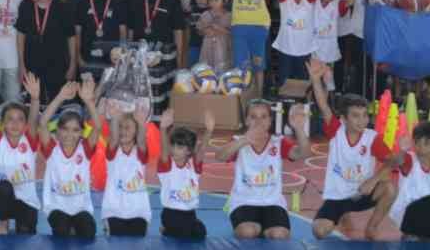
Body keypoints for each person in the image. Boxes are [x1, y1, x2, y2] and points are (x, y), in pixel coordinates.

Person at [308, 59, 397, 240]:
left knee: (389, 189)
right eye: (356, 116)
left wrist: (373, 180)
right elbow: (324, 106)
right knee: (319, 231)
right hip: (337, 197)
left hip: (361, 193)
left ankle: (371, 227)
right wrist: (316, 80)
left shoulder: (372, 138)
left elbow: (392, 161)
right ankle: (341, 214)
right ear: (343, 119)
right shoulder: (336, 131)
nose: (362, 121)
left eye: (365, 115)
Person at [0, 73, 69, 236]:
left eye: (20, 119)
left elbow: (34, 120)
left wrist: (35, 98)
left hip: (26, 201)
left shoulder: (29, 140)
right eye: (10, 119)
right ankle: (3, 221)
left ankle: (22, 220)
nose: (15, 123)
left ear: (25, 124)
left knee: (26, 234)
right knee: (4, 187)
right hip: (3, 197)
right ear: (2, 124)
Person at [214, 98, 311, 240]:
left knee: (279, 235)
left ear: (270, 120)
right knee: (247, 232)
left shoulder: (278, 142)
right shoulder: (238, 141)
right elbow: (219, 156)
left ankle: (265, 228)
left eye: (263, 116)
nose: (259, 121)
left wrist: (299, 129)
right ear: (246, 121)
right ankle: (255, 227)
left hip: (273, 202)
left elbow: (303, 153)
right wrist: (244, 140)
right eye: (253, 117)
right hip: (243, 201)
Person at [41, 76, 97, 238]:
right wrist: (60, 97)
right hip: (56, 207)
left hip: (81, 208)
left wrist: (89, 101)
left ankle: (75, 226)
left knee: (89, 232)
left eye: (75, 130)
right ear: (57, 131)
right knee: (61, 230)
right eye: (65, 129)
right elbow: (43, 123)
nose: (69, 134)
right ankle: (68, 227)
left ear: (81, 132)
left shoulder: (85, 149)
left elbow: (98, 127)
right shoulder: (52, 149)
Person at [15, 0, 75, 103]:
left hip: (57, 63)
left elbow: (71, 37)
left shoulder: (62, 8)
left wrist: (72, 65)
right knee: (33, 100)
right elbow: (20, 35)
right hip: (32, 62)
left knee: (58, 100)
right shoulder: (25, 5)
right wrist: (21, 64)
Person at [225, 0, 273, 96]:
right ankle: (243, 98)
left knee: (258, 64)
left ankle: (258, 97)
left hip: (260, 24)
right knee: (242, 66)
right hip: (239, 24)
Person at [100, 106, 154, 237]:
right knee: (116, 239)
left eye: (127, 128)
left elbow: (141, 140)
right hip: (114, 210)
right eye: (120, 127)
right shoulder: (112, 152)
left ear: (136, 132)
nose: (122, 131)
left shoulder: (140, 153)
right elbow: (114, 138)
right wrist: (114, 119)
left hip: (138, 211)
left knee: (138, 240)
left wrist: (141, 123)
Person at [156, 111, 210, 240]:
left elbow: (202, 150)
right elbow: (164, 150)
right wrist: (163, 129)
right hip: (171, 213)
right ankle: (166, 229)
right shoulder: (167, 166)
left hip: (190, 214)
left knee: (201, 232)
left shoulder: (193, 166)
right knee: (184, 232)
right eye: (173, 145)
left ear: (189, 151)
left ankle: (170, 230)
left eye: (180, 147)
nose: (174, 150)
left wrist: (209, 130)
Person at [74, 0, 125, 81]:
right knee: (88, 91)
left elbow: (123, 33)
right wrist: (79, 59)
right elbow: (77, 34)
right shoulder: (81, 3)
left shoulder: (119, 2)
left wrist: (121, 57)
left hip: (112, 60)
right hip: (87, 59)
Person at [272, 0, 315, 84]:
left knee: (303, 83)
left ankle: (303, 98)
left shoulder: (308, 0)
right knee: (284, 82)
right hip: (285, 49)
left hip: (304, 50)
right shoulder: (285, 0)